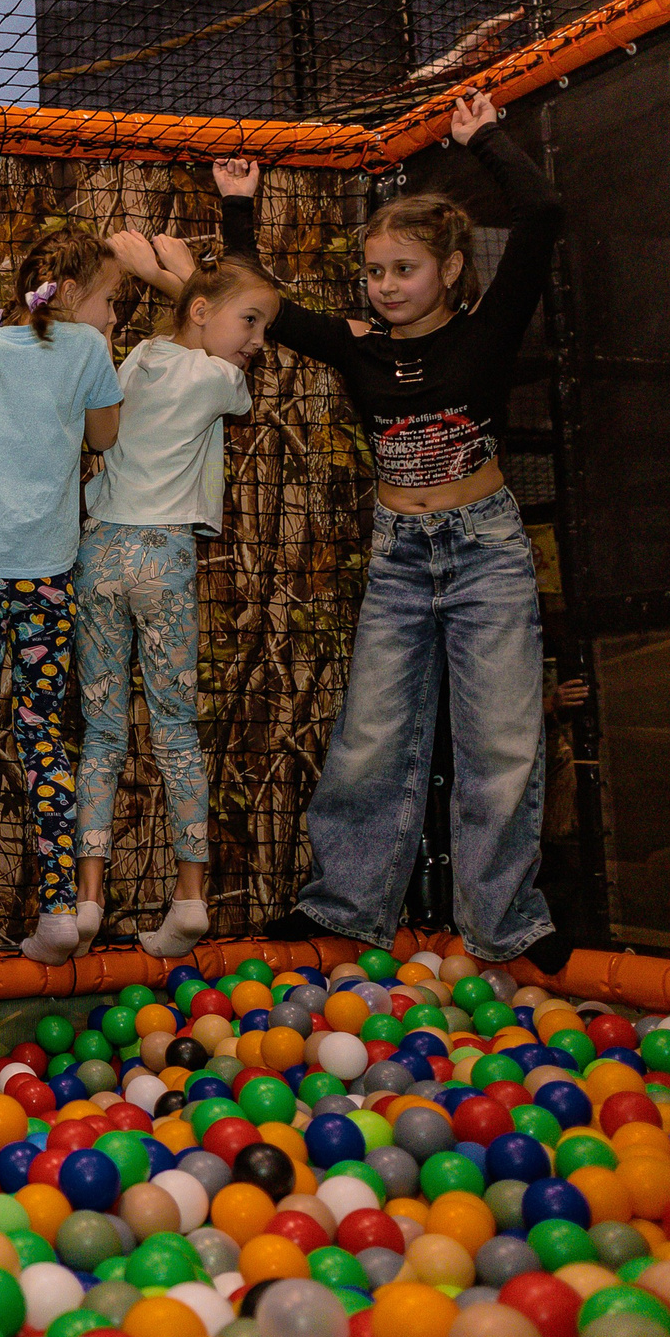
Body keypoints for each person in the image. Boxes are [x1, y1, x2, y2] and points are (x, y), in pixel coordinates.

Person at [234, 97, 578, 974]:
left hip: (484, 551)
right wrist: (238, 208)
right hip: (400, 556)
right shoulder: (359, 348)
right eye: (375, 271)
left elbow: (541, 211)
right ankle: (346, 911)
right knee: (371, 735)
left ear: (451, 268)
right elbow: (259, 304)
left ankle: (505, 922)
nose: (384, 285)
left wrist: (483, 139)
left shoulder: (486, 330)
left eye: (404, 269)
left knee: (500, 739)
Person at [68, 239, 282, 963]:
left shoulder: (138, 358)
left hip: (99, 551)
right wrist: (175, 274)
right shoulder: (221, 378)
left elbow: (117, 409)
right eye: (250, 321)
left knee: (101, 732)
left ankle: (88, 898)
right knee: (176, 733)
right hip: (162, 556)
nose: (255, 342)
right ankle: (190, 894)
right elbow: (222, 355)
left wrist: (180, 286)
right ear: (200, 310)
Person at [0, 228, 123, 968]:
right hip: (46, 575)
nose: (110, 317)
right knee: (43, 737)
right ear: (69, 293)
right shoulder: (90, 353)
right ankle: (60, 908)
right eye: (107, 301)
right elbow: (104, 435)